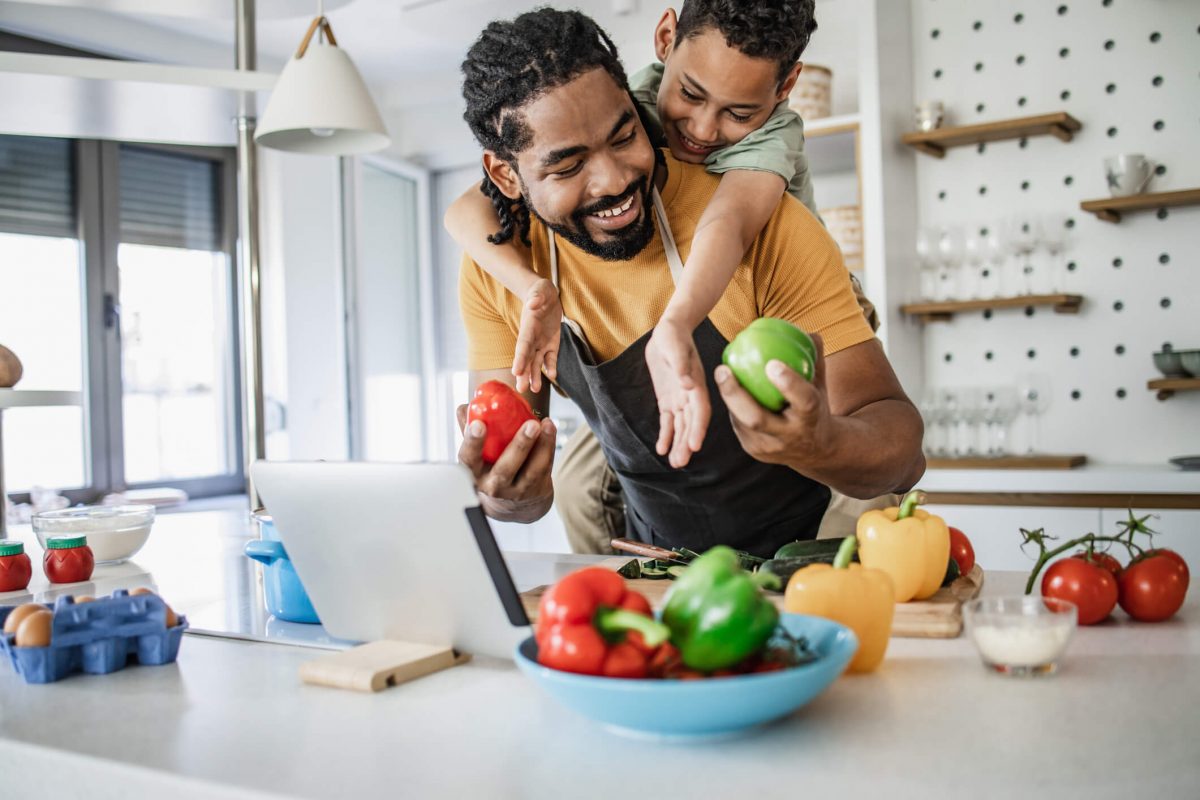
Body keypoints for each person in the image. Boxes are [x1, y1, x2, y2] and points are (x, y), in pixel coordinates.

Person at [454, 8, 924, 559]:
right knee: (583, 483)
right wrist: (510, 498)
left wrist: (825, 442)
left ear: (636, 107)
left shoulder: (768, 223)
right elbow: (521, 489)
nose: (613, 180)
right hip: (667, 571)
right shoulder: (499, 263)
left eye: (625, 134)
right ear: (506, 175)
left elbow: (904, 454)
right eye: (567, 166)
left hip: (815, 560)